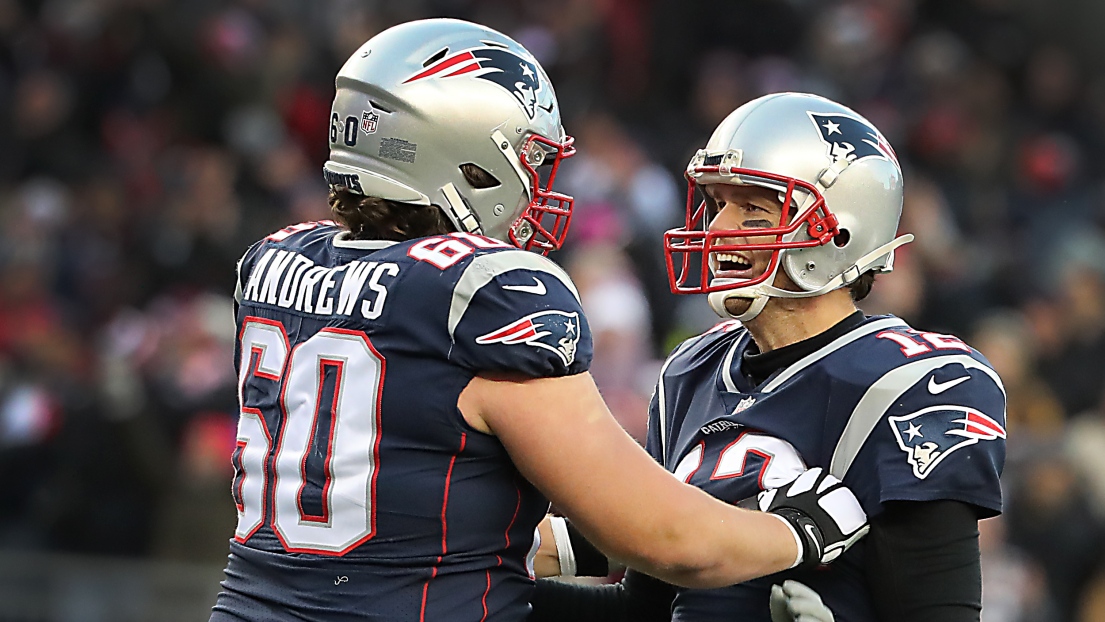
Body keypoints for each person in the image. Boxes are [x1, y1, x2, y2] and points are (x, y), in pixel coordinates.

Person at [208, 22, 870, 622]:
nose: (535, 182)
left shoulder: (272, 263)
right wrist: (796, 529)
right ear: (461, 155)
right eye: (525, 157)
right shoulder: (484, 290)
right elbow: (664, 540)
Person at [529, 93, 1007, 621]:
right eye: (717, 205)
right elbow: (646, 609)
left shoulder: (911, 382)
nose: (716, 229)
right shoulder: (691, 370)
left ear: (839, 231)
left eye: (752, 207)